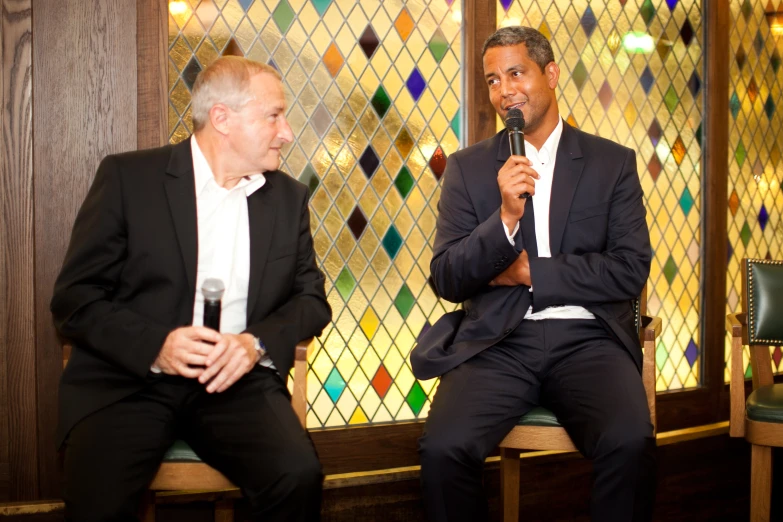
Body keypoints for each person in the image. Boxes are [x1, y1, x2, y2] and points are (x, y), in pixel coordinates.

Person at [51, 56, 331, 522]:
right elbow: (74, 299)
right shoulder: (129, 179)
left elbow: (311, 300)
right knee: (97, 501)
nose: (286, 132)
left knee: (297, 476)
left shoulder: (287, 198)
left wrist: (253, 344)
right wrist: (156, 346)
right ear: (221, 118)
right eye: (273, 115)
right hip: (130, 381)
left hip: (236, 384)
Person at [410, 26, 655, 522]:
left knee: (631, 441)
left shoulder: (612, 163)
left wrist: (530, 273)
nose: (505, 91)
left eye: (516, 73)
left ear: (551, 73)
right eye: (493, 80)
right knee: (442, 450)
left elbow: (629, 269)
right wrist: (503, 219)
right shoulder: (467, 168)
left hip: (590, 340)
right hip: (498, 343)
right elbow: (446, 279)